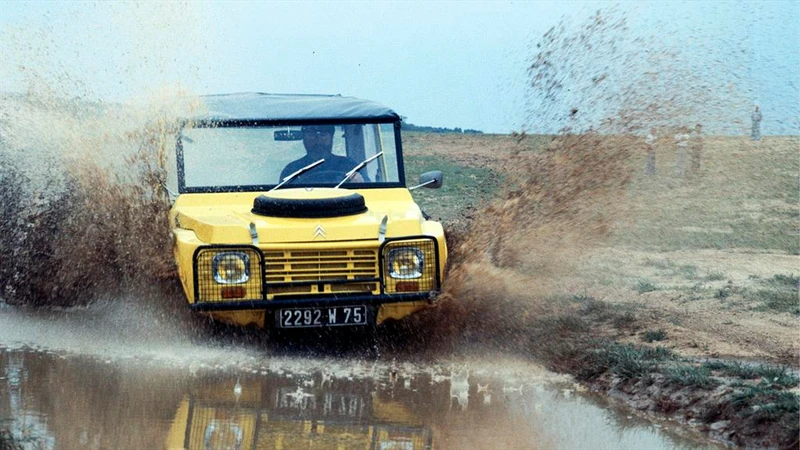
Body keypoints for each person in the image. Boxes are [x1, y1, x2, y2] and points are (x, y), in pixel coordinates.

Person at [279, 125, 366, 184]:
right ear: (304, 139)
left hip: (343, 208)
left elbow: (368, 190)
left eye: (323, 134)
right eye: (311, 135)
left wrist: (359, 181)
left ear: (331, 137)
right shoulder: (291, 169)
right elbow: (281, 197)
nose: (318, 140)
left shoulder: (349, 165)